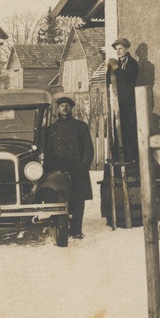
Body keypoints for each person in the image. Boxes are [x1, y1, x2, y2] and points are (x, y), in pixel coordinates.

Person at [44, 96, 95, 239]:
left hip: (77, 169)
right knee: (58, 199)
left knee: (78, 200)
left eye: (67, 105)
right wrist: (50, 171)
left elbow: (88, 149)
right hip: (58, 171)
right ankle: (59, 229)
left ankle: (76, 230)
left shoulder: (80, 126)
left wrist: (83, 166)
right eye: (61, 106)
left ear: (72, 108)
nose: (64, 108)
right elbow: (48, 151)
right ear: (58, 108)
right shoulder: (52, 129)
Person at [106, 37, 139, 162]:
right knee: (116, 129)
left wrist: (115, 68)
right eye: (116, 49)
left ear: (127, 48)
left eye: (120, 49)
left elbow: (126, 79)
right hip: (117, 102)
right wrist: (109, 69)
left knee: (128, 130)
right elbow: (110, 81)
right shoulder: (116, 63)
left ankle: (131, 159)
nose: (118, 51)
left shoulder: (132, 63)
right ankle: (118, 157)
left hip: (129, 103)